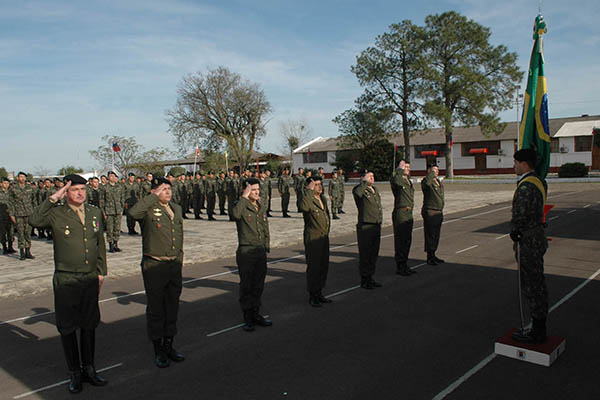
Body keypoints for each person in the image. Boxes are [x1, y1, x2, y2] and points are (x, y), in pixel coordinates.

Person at [29, 174, 108, 394]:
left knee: (89, 324)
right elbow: (34, 220)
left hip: (89, 276)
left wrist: (101, 272)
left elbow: (99, 243)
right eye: (75, 190)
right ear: (66, 192)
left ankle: (89, 369)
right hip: (66, 278)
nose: (81, 193)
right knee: (68, 327)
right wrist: (53, 197)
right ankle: (74, 372)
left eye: (83, 189)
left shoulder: (93, 212)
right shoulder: (56, 213)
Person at [128, 177, 186, 367]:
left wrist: (179, 259)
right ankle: (158, 349)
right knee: (156, 309)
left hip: (173, 265)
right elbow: (133, 213)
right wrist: (152, 196)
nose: (167, 192)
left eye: (169, 188)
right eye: (163, 189)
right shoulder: (148, 209)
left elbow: (179, 237)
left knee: (172, 306)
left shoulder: (176, 209)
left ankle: (169, 344)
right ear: (154, 191)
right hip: (154, 265)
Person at [510, 149, 549, 343]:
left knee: (532, 284)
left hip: (528, 240)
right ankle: (538, 325)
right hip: (538, 235)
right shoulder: (540, 181)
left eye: (516, 162)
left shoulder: (526, 186)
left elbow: (521, 213)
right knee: (537, 282)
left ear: (524, 164)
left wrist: (514, 230)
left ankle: (537, 331)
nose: (514, 166)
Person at [231, 178, 272, 332]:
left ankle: (256, 314)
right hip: (247, 251)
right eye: (252, 189)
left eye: (257, 189)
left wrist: (266, 245)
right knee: (247, 286)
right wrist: (243, 196)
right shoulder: (240, 205)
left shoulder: (260, 206)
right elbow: (235, 214)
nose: (256, 192)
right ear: (245, 190)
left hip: (259, 250)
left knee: (258, 285)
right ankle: (248, 317)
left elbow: (265, 226)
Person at [299, 176, 332, 307]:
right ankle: (313, 295)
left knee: (323, 266)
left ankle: (319, 292)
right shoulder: (308, 199)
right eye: (316, 185)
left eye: (320, 184)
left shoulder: (322, 198)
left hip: (324, 236)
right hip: (313, 237)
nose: (319, 187)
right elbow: (303, 207)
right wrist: (309, 191)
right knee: (314, 267)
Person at [352, 171, 383, 289]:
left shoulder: (375, 190)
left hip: (375, 225)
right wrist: (364, 182)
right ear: (362, 178)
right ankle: (364, 279)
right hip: (365, 226)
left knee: (373, 254)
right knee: (365, 254)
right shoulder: (359, 189)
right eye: (369, 176)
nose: (372, 178)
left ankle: (370, 277)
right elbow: (358, 193)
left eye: (373, 176)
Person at [390, 161, 416, 276]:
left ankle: (405, 264)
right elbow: (396, 180)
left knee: (407, 240)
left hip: (409, 212)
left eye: (409, 167)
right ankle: (400, 266)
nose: (408, 169)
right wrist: (399, 169)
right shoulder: (397, 179)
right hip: (401, 212)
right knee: (401, 240)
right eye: (406, 167)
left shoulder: (408, 181)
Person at [421, 164, 445, 265]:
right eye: (434, 170)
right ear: (429, 171)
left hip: (438, 211)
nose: (436, 172)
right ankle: (429, 256)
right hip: (430, 211)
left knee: (436, 235)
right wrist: (431, 174)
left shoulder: (438, 181)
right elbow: (426, 184)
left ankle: (434, 254)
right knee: (430, 234)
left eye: (437, 170)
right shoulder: (427, 181)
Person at [8, 171, 35, 260]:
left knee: (28, 232)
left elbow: (33, 200)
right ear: (17, 178)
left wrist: (35, 211)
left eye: (24, 177)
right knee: (20, 233)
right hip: (18, 214)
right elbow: (10, 202)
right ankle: (22, 252)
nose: (22, 178)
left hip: (29, 213)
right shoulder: (13, 189)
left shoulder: (29, 188)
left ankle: (28, 251)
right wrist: (11, 214)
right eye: (20, 177)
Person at [99, 171, 125, 253]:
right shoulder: (104, 187)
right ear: (108, 177)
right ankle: (110, 245)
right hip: (109, 211)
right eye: (110, 176)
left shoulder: (119, 187)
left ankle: (116, 244)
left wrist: (121, 210)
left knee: (117, 228)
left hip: (118, 210)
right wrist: (103, 212)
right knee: (110, 228)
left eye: (114, 176)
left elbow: (122, 199)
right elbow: (102, 200)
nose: (112, 178)